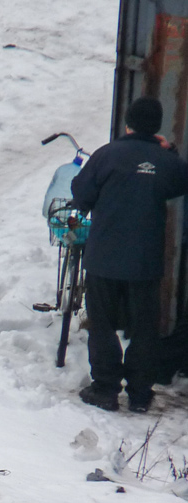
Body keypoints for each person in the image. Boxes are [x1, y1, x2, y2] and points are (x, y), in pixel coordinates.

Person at [70, 96, 188, 413]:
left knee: (103, 323)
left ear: (128, 122)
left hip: (104, 257)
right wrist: (168, 154)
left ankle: (105, 389)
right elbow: (179, 180)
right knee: (144, 327)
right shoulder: (166, 161)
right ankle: (139, 394)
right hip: (144, 261)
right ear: (157, 126)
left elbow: (81, 194)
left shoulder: (107, 155)